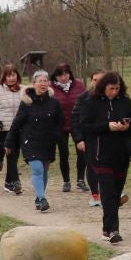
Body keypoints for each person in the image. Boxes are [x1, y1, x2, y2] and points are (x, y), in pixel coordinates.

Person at [77, 71, 131, 242]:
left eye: (117, 88)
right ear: (103, 87)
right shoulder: (90, 102)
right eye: (111, 88)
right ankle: (113, 230)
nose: (114, 92)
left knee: (117, 192)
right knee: (108, 191)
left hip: (121, 153)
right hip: (99, 153)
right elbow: (85, 125)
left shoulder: (125, 101)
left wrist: (128, 126)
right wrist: (107, 126)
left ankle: (107, 228)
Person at [10, 72, 65, 212]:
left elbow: (60, 123)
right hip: (30, 141)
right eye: (40, 81)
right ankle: (41, 198)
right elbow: (17, 123)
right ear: (34, 84)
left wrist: (60, 140)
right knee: (37, 169)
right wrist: (9, 142)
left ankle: (39, 196)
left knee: (44, 170)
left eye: (46, 81)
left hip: (47, 141)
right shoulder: (27, 102)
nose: (43, 84)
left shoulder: (54, 103)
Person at [0, 65, 25, 195]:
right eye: (9, 75)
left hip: (20, 128)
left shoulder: (23, 89)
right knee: (10, 154)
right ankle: (16, 182)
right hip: (4, 128)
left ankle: (9, 182)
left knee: (15, 155)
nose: (11, 78)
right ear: (4, 77)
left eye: (14, 75)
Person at [70, 69, 105, 207]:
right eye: (95, 80)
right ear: (91, 81)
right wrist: (78, 139)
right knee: (92, 166)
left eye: (101, 80)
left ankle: (108, 193)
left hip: (106, 138)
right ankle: (95, 194)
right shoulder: (83, 98)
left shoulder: (111, 96)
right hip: (88, 138)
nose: (98, 83)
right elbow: (74, 119)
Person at [48, 64, 84, 193]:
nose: (64, 77)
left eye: (66, 73)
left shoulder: (79, 85)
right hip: (60, 125)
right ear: (56, 76)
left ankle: (81, 179)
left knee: (82, 151)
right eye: (61, 75)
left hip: (77, 124)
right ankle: (66, 181)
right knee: (64, 154)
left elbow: (84, 102)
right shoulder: (50, 88)